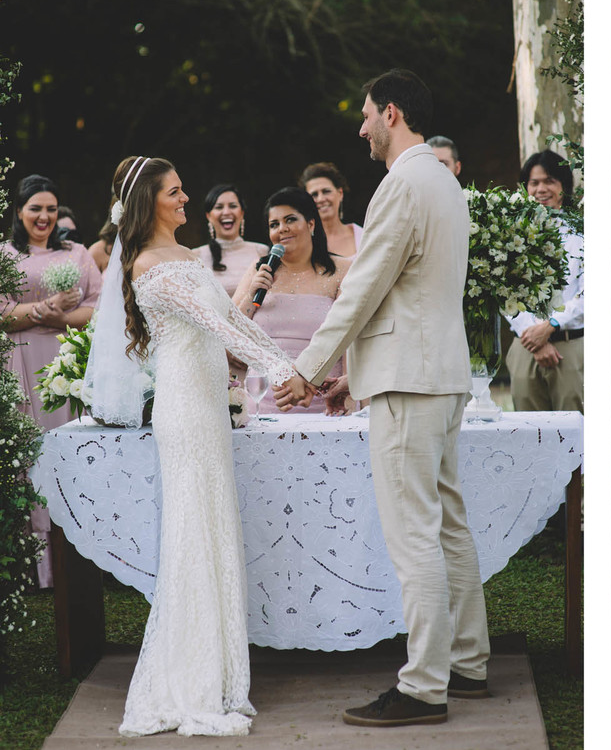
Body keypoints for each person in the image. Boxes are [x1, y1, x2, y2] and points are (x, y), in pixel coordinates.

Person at [275, 69, 490, 728]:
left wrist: (309, 369)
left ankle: (424, 686)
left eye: (366, 114)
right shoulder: (444, 182)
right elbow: (412, 292)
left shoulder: (402, 184)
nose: (361, 126)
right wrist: (355, 371)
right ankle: (468, 661)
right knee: (447, 521)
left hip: (410, 380)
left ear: (391, 113)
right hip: (440, 372)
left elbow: (364, 288)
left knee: (414, 532)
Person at [90, 156, 297, 737]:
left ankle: (222, 671)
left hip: (208, 403)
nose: (186, 199)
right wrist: (283, 371)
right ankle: (192, 679)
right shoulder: (149, 263)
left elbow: (232, 321)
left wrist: (286, 357)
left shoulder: (184, 255)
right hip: (185, 409)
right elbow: (220, 328)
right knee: (194, 534)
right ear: (149, 202)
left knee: (213, 528)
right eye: (175, 192)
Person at [1, 174, 102, 587]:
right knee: (30, 458)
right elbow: (2, 313)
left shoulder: (77, 253)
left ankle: (79, 561)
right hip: (22, 361)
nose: (44, 217)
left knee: (70, 453)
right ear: (19, 212)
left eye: (51, 209)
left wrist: (61, 318)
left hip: (67, 365)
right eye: (35, 209)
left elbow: (98, 307)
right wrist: (44, 307)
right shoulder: (5, 255)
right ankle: (35, 566)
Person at [231, 187, 350, 414]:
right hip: (262, 399)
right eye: (274, 224)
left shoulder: (342, 270)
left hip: (324, 400)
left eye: (290, 220)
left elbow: (350, 337)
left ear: (311, 224)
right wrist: (251, 294)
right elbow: (231, 333)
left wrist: (348, 394)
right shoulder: (258, 270)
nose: (282, 229)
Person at [504, 150, 583, 412]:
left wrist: (550, 326)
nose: (541, 189)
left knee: (575, 428)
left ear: (564, 187)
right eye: (534, 182)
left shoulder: (581, 235)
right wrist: (533, 335)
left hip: (570, 346)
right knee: (528, 429)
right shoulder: (512, 235)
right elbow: (504, 292)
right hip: (525, 345)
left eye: (550, 181)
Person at [193, 184, 269, 297]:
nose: (226, 212)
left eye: (233, 206)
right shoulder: (195, 256)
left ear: (242, 213)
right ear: (208, 216)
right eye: (219, 207)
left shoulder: (261, 251)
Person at [299, 162, 364, 259]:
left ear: (340, 193)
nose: (321, 199)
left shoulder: (363, 235)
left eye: (326, 191)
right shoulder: (304, 243)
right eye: (314, 195)